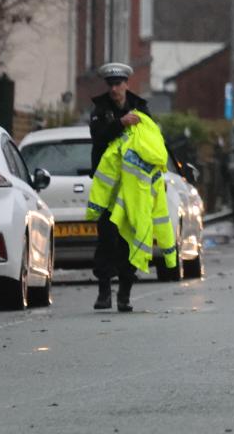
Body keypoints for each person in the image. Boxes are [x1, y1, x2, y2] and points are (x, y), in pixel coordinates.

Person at [89, 62, 150, 312]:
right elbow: (98, 135)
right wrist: (121, 123)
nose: (114, 89)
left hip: (132, 186)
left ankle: (124, 293)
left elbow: (150, 140)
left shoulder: (141, 107)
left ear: (127, 84)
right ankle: (104, 292)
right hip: (108, 187)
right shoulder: (99, 109)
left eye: (118, 84)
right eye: (111, 85)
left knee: (128, 239)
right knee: (106, 239)